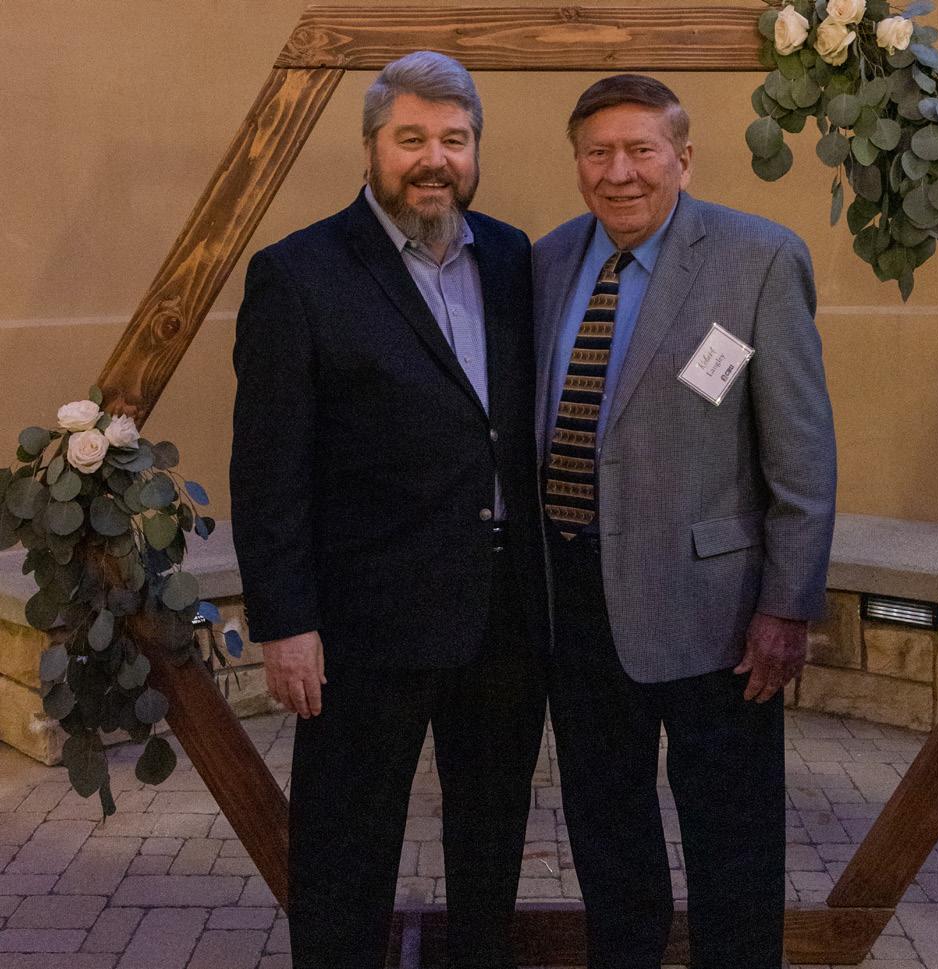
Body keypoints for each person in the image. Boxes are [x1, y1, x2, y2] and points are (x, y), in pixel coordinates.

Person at [230, 51, 548, 969]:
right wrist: (286, 623)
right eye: (411, 138)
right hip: (363, 624)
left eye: (453, 139)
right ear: (371, 146)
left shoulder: (513, 258)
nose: (433, 159)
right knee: (343, 847)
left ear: (475, 149)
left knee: (492, 834)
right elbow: (268, 469)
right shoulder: (297, 274)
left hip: (502, 615)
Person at [534, 74, 837, 969]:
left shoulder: (758, 258)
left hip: (719, 610)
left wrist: (787, 604)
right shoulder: (546, 261)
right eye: (598, 153)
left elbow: (801, 453)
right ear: (577, 163)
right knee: (606, 826)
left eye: (641, 150)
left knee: (731, 836)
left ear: (683, 157)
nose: (619, 172)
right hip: (574, 598)